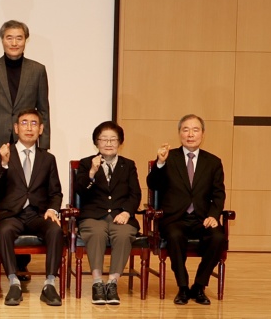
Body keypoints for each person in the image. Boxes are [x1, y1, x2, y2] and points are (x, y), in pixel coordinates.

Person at [146, 114, 227, 306]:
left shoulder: (213, 162)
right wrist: (160, 163)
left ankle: (199, 286)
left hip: (202, 218)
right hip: (175, 218)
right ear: (179, 133)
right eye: (186, 130)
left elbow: (218, 194)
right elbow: (153, 184)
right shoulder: (169, 158)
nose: (190, 134)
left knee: (218, 237)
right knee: (175, 236)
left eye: (195, 130)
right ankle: (182, 287)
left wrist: (213, 215)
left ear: (202, 134)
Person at [0, 110, 65, 307]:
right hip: (12, 214)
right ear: (16, 128)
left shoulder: (48, 159)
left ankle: (49, 285)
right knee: (4, 231)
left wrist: (53, 209)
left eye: (33, 123)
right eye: (24, 123)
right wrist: (4, 164)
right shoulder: (3, 154)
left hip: (38, 214)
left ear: (41, 129)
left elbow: (56, 192)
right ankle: (14, 283)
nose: (29, 128)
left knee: (56, 230)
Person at [73, 120, 140, 305]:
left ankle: (112, 283)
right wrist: (92, 173)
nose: (108, 143)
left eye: (113, 139)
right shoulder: (86, 163)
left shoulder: (128, 165)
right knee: (96, 233)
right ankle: (97, 283)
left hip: (120, 215)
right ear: (97, 142)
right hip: (93, 215)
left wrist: (126, 212)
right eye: (104, 139)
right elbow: (80, 191)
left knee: (124, 234)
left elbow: (135, 194)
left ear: (120, 142)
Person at [0, 20, 51, 161]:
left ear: (25, 40)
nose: (14, 43)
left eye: (19, 38)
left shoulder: (38, 70)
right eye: (9, 38)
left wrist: (43, 146)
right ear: (2, 40)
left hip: (26, 142)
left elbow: (43, 110)